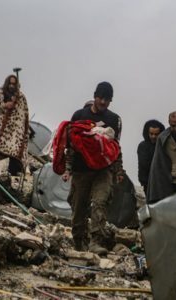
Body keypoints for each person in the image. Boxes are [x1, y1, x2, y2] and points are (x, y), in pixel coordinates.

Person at [62, 81, 124, 255]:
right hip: (81, 169)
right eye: (101, 98)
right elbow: (71, 146)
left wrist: (119, 171)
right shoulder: (79, 115)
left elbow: (115, 147)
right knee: (79, 206)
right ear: (95, 96)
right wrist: (68, 169)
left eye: (107, 99)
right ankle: (78, 241)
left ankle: (96, 241)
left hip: (103, 170)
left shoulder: (114, 119)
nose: (103, 102)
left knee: (100, 202)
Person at [0, 75, 29, 175]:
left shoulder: (20, 97)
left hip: (13, 133)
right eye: (10, 83)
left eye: (13, 84)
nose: (11, 86)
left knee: (11, 158)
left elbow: (22, 115)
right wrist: (4, 106)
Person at [137, 119, 165, 196]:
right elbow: (144, 165)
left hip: (162, 183)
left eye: (156, 134)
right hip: (147, 183)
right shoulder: (143, 146)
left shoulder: (164, 146)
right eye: (151, 134)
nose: (153, 136)